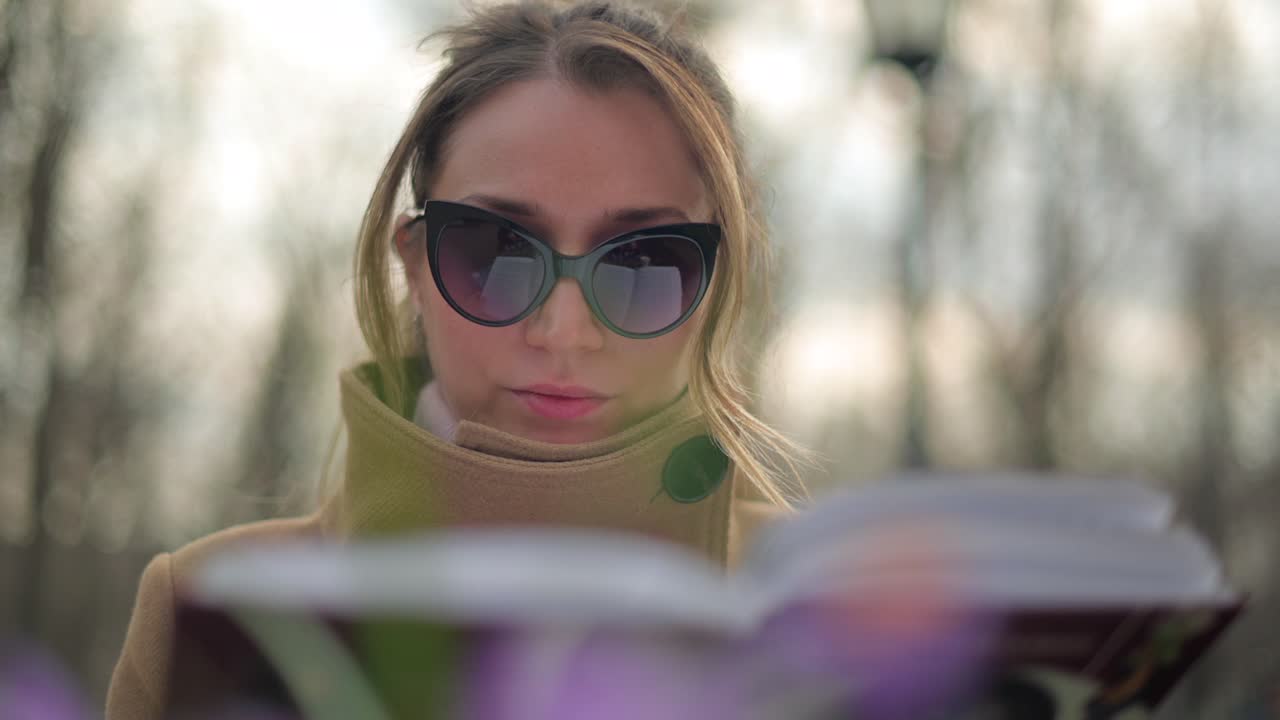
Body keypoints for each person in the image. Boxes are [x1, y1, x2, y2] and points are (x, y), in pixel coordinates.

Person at [105, 1, 810, 717]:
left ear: (713, 279)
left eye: (644, 261)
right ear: (414, 263)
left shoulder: (831, 614)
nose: (565, 331)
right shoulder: (214, 609)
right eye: (496, 251)